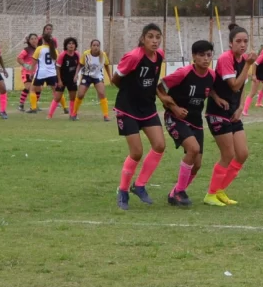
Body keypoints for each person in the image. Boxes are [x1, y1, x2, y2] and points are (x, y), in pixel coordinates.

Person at [157, 40, 220, 207]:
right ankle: (179, 192)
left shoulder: (211, 75)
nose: (206, 59)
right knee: (193, 148)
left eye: (209, 55)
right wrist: (174, 107)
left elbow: (210, 88)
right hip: (175, 118)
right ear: (193, 56)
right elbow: (159, 87)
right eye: (201, 55)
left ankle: (175, 192)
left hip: (195, 121)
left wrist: (217, 98)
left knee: (197, 164)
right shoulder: (183, 73)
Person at [112, 23, 166, 211]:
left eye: (158, 37)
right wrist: (129, 92)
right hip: (127, 108)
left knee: (159, 145)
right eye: (150, 37)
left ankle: (140, 185)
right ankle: (123, 191)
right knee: (136, 152)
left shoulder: (160, 56)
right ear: (143, 39)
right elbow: (115, 78)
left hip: (147, 107)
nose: (154, 41)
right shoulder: (133, 56)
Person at [203, 23, 256, 207]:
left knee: (242, 154)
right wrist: (249, 65)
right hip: (217, 112)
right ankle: (210, 194)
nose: (243, 45)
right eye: (239, 41)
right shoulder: (226, 58)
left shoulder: (243, 60)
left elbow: (242, 87)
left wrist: (241, 106)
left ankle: (219, 190)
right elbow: (234, 84)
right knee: (228, 154)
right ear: (230, 43)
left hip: (233, 111)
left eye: (245, 41)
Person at [72, 39, 111, 121]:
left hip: (97, 76)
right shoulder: (86, 54)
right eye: (94, 45)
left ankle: (106, 115)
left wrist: (110, 78)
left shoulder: (103, 55)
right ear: (91, 46)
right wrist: (76, 75)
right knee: (80, 94)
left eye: (97, 45)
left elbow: (107, 65)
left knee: (102, 93)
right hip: (87, 76)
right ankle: (74, 114)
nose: (96, 47)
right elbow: (80, 65)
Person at [38, 23, 68, 113]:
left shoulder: (54, 40)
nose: (48, 30)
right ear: (44, 30)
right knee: (37, 87)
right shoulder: (40, 39)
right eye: (47, 29)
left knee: (55, 87)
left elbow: (55, 52)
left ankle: (64, 106)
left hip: (49, 67)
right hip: (41, 66)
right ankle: (34, 105)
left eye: (50, 29)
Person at [47, 37, 80, 120]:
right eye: (69, 43)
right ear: (66, 45)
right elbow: (57, 68)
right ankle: (50, 115)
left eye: (73, 43)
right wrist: (59, 80)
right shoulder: (62, 55)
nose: (71, 45)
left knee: (72, 97)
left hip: (72, 79)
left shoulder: (77, 54)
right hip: (62, 79)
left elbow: (79, 65)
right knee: (57, 97)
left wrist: (76, 75)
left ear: (75, 45)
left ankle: (72, 115)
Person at [28, 31, 59, 113]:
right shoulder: (54, 49)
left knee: (32, 89)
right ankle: (65, 108)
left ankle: (33, 108)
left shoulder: (39, 48)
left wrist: (31, 72)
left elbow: (34, 62)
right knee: (56, 91)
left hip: (41, 73)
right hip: (52, 73)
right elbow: (58, 63)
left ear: (43, 40)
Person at [16, 33, 38, 112]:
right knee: (28, 87)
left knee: (38, 88)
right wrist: (26, 66)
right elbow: (19, 58)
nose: (34, 40)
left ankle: (35, 105)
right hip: (27, 72)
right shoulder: (26, 50)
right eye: (32, 39)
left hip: (36, 72)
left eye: (35, 38)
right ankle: (21, 105)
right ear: (29, 40)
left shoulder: (39, 49)